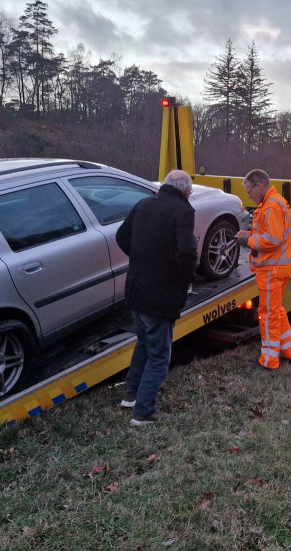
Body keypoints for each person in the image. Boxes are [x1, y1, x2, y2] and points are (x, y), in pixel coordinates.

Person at [115, 170, 198, 425]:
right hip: (160, 295)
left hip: (135, 289)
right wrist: (185, 279)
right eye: (190, 192)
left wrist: (143, 258)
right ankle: (143, 411)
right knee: (160, 356)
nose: (190, 195)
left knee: (143, 342)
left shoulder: (143, 203)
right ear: (185, 190)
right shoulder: (183, 210)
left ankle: (131, 393)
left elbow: (121, 237)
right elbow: (186, 252)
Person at [236, 169, 291, 370]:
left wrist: (248, 241)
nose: (249, 196)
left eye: (249, 191)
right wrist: (247, 234)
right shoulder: (273, 202)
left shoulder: (271, 206)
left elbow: (272, 240)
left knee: (268, 315)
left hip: (272, 269)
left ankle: (269, 361)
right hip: (277, 268)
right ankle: (290, 352)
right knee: (277, 311)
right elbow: (269, 233)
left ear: (259, 186)